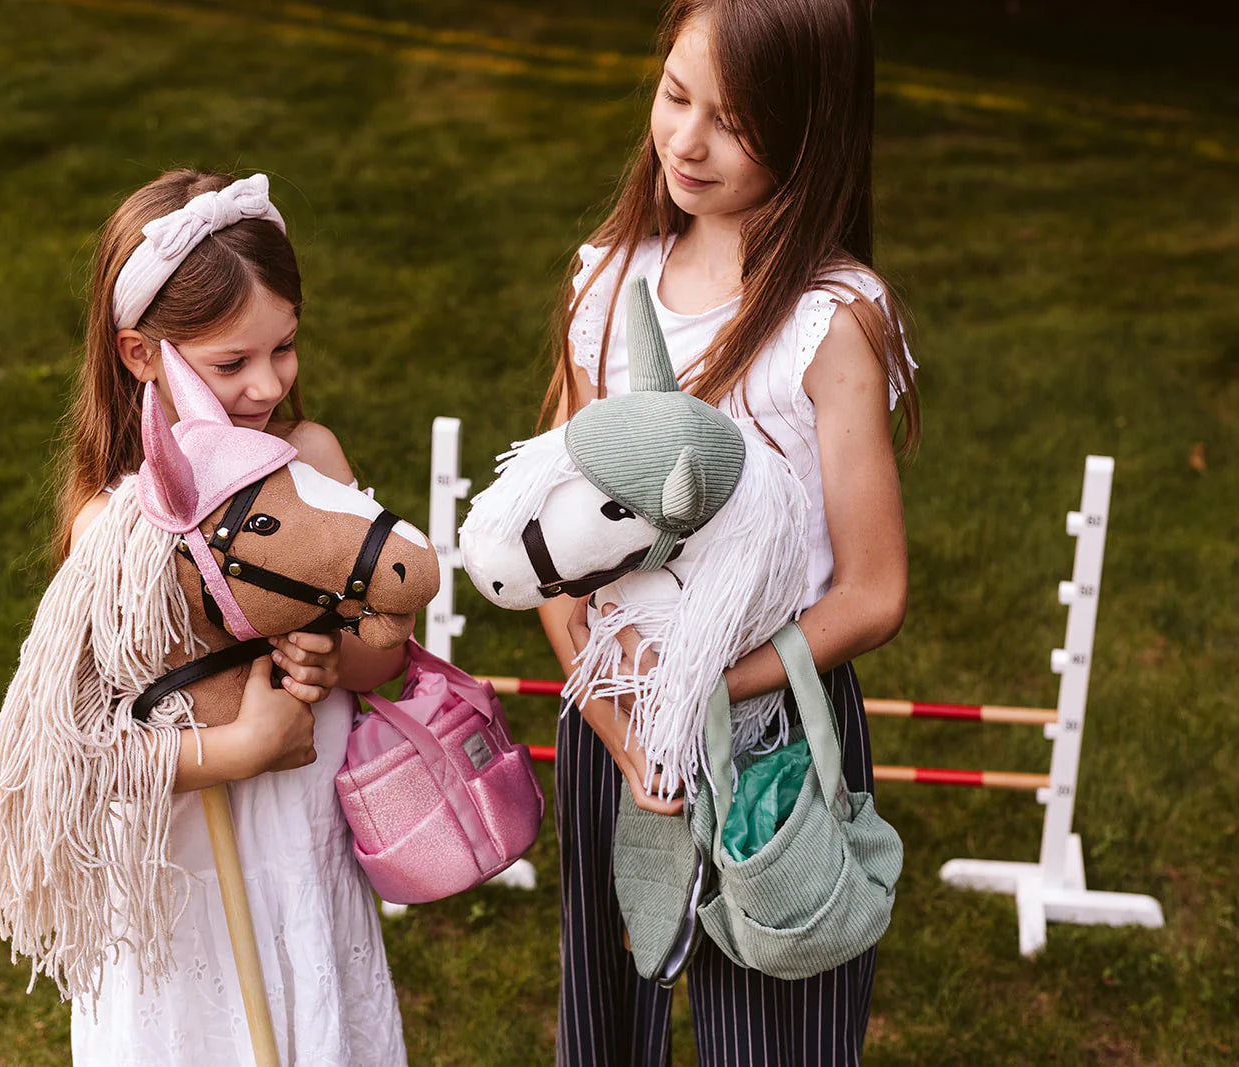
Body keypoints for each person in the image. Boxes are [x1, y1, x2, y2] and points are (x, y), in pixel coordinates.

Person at [534, 2, 921, 1064]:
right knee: (607, 1013)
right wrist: (620, 719)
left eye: (735, 122)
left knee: (773, 1028)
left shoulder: (830, 319)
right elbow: (554, 542)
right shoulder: (608, 281)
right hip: (611, 712)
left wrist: (706, 694)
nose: (688, 140)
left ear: (808, 131)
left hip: (773, 729)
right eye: (674, 96)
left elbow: (874, 592)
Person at [58, 169, 408, 1065]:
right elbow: (81, 755)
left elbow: (384, 659)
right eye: (229, 363)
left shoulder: (311, 461)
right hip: (191, 872)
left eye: (283, 348)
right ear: (141, 354)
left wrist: (337, 658)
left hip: (303, 848)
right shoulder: (116, 526)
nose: (265, 384)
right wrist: (241, 747)